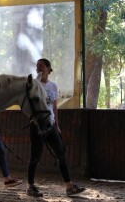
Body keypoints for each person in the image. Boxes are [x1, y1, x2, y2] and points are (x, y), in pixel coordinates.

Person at [26, 58, 86, 197]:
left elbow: (54, 106)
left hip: (51, 123)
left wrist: (57, 125)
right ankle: (30, 186)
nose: (38, 68)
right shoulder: (34, 85)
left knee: (61, 153)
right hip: (37, 125)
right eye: (37, 66)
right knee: (35, 155)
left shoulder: (53, 86)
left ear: (48, 68)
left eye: (41, 66)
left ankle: (69, 186)